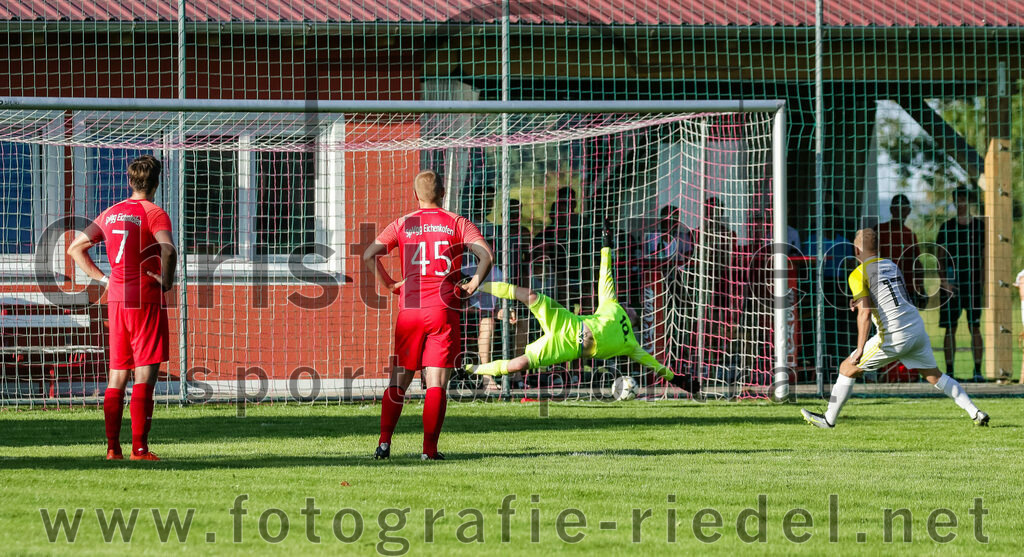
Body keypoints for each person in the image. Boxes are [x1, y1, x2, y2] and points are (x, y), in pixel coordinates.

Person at [464, 221, 700, 396]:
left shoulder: (631, 344)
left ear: (633, 320)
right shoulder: (611, 304)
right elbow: (605, 274)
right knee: (532, 296)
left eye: (633, 310)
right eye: (629, 306)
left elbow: (654, 364)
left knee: (520, 364)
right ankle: (479, 285)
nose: (629, 307)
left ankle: (474, 369)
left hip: (566, 347)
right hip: (567, 322)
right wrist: (606, 245)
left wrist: (678, 380)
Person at [363, 169, 494, 461]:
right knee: (436, 383)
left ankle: (384, 443)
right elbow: (486, 255)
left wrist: (389, 284)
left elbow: (369, 255)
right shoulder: (457, 222)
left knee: (399, 380)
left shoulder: (403, 223)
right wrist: (472, 284)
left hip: (410, 307)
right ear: (443, 193)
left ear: (415, 195)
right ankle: (429, 450)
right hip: (443, 308)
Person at [801, 228, 988, 429]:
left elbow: (865, 313)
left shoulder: (858, 274)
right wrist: (861, 301)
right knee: (935, 376)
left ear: (856, 250)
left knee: (847, 368)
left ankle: (828, 420)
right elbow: (890, 296)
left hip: (894, 334)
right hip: (915, 327)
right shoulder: (890, 265)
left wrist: (860, 348)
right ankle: (975, 412)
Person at [67, 155, 176, 461]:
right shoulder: (154, 213)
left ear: (130, 181)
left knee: (117, 375)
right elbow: (168, 250)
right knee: (144, 375)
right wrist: (167, 282)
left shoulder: (111, 213)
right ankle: (139, 449)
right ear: (156, 183)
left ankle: (112, 448)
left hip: (115, 299)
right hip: (145, 297)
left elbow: (75, 248)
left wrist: (104, 279)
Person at [937, 186, 986, 382]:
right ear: (954, 202)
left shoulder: (979, 227)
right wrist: (944, 282)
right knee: (950, 328)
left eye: (964, 199)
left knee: (975, 326)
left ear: (969, 201)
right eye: (958, 200)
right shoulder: (947, 227)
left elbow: (984, 257)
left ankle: (978, 372)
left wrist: (982, 284)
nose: (961, 203)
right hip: (952, 283)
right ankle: (950, 372)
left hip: (972, 284)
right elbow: (939, 257)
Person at [877, 194, 924, 308]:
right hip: (885, 287)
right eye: (896, 209)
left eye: (903, 210)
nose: (899, 213)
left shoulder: (910, 235)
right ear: (891, 210)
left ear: (908, 211)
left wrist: (922, 289)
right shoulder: (879, 230)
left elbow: (917, 263)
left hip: (907, 289)